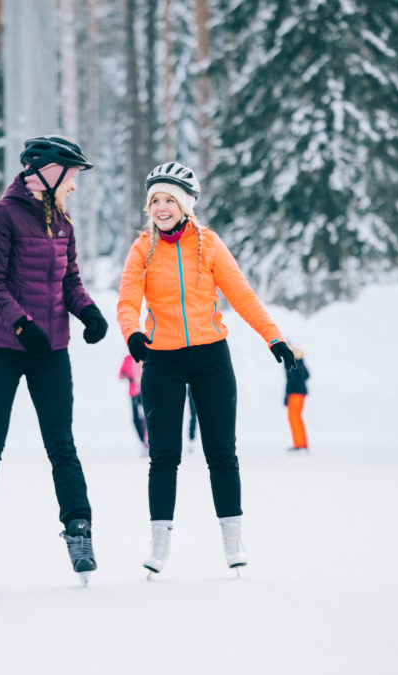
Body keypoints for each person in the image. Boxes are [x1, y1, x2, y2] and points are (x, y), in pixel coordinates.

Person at [116, 161, 296, 576]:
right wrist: (132, 334)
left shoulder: (209, 245)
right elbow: (127, 300)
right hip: (161, 358)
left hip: (212, 355)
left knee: (221, 452)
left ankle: (232, 540)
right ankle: (158, 546)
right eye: (155, 201)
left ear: (186, 205)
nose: (161, 208)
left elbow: (242, 295)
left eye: (169, 200)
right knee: (164, 455)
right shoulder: (142, 248)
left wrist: (274, 337)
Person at [0, 135, 108, 589]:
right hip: (1, 348)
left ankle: (79, 531)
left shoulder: (62, 223)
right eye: (73, 176)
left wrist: (89, 312)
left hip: (51, 351)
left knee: (62, 445)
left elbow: (70, 282)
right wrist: (23, 326)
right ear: (46, 172)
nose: (75, 186)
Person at [118, 354, 148, 454]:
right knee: (136, 419)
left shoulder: (146, 356)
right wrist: (130, 377)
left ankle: (148, 442)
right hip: (134, 393)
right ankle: (143, 441)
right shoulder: (128, 359)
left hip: (145, 393)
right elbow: (121, 375)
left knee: (146, 418)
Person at [284, 344, 310, 452]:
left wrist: (287, 395)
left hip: (295, 394)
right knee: (296, 417)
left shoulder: (294, 363)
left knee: (294, 417)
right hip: (299, 393)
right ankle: (301, 443)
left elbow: (292, 381)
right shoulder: (301, 362)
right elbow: (307, 375)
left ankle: (299, 443)